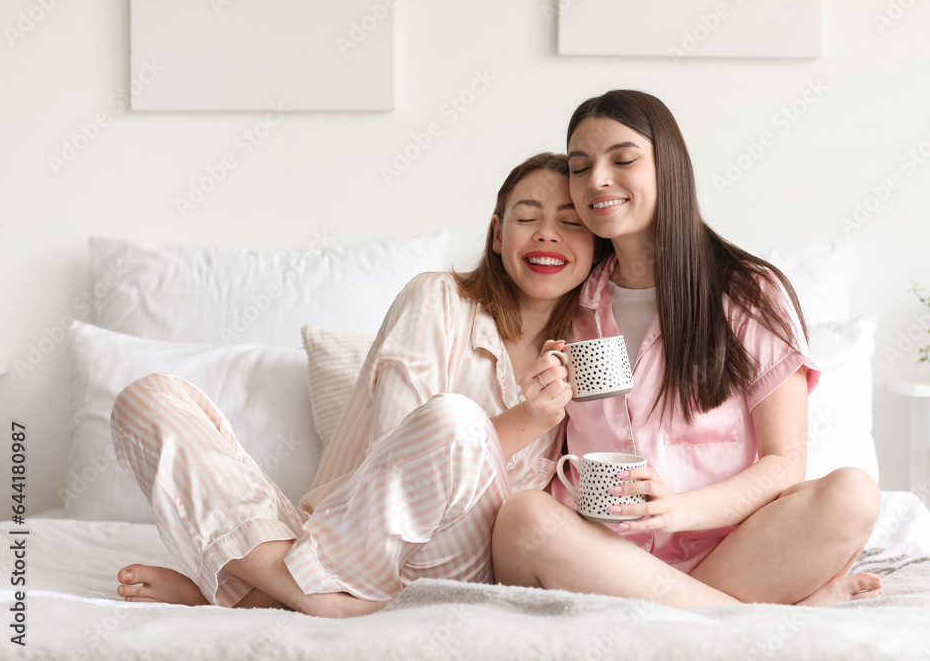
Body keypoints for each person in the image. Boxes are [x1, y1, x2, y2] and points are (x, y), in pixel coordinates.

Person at [111, 152, 603, 618]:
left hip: (453, 565)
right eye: (527, 217)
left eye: (571, 222)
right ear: (498, 234)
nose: (547, 235)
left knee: (457, 418)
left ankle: (261, 594)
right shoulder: (438, 298)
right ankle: (309, 593)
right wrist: (528, 420)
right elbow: (394, 453)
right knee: (148, 399)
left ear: (596, 244)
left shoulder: (597, 349)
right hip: (338, 534)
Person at [492, 90, 883, 608]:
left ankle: (686, 609)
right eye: (580, 167)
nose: (597, 181)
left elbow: (785, 460)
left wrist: (678, 511)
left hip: (726, 551)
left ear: (668, 166)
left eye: (623, 159)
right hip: (599, 558)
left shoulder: (748, 291)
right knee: (522, 517)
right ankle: (747, 617)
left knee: (852, 495)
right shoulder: (570, 299)